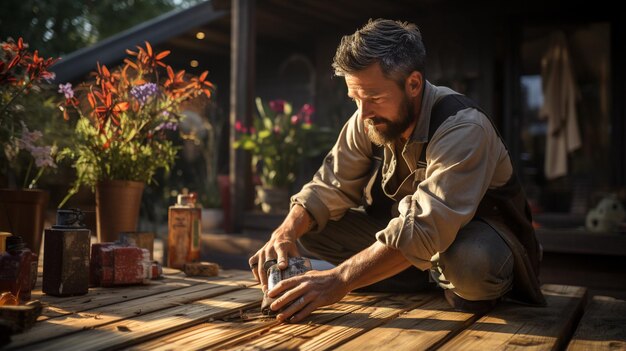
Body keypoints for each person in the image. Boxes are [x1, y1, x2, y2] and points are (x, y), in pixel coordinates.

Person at [248, 18, 545, 323]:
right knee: (311, 226)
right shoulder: (367, 117)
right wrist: (284, 233)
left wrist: (339, 281)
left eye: (374, 97)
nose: (363, 113)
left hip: (476, 240)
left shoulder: (463, 127)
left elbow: (427, 226)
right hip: (417, 244)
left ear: (413, 84)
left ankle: (455, 281)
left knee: (470, 262)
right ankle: (424, 276)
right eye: (355, 98)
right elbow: (330, 185)